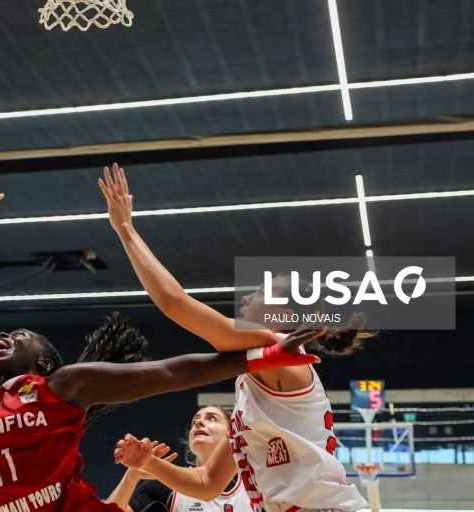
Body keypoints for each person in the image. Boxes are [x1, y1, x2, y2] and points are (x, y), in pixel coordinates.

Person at [0, 172, 322, 512]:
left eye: (258, 292)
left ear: (44, 363)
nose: (245, 299)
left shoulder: (59, 387)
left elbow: (170, 358)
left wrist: (267, 354)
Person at [100, 163, 370, 512]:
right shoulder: (254, 384)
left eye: (260, 291)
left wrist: (125, 229)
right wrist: (149, 464)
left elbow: (174, 302)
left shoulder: (274, 347)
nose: (246, 298)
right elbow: (207, 484)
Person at [108, 406, 251, 512]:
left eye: (211, 418)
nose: (198, 423)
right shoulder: (166, 486)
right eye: (195, 420)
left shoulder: (253, 483)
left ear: (230, 433)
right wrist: (132, 475)